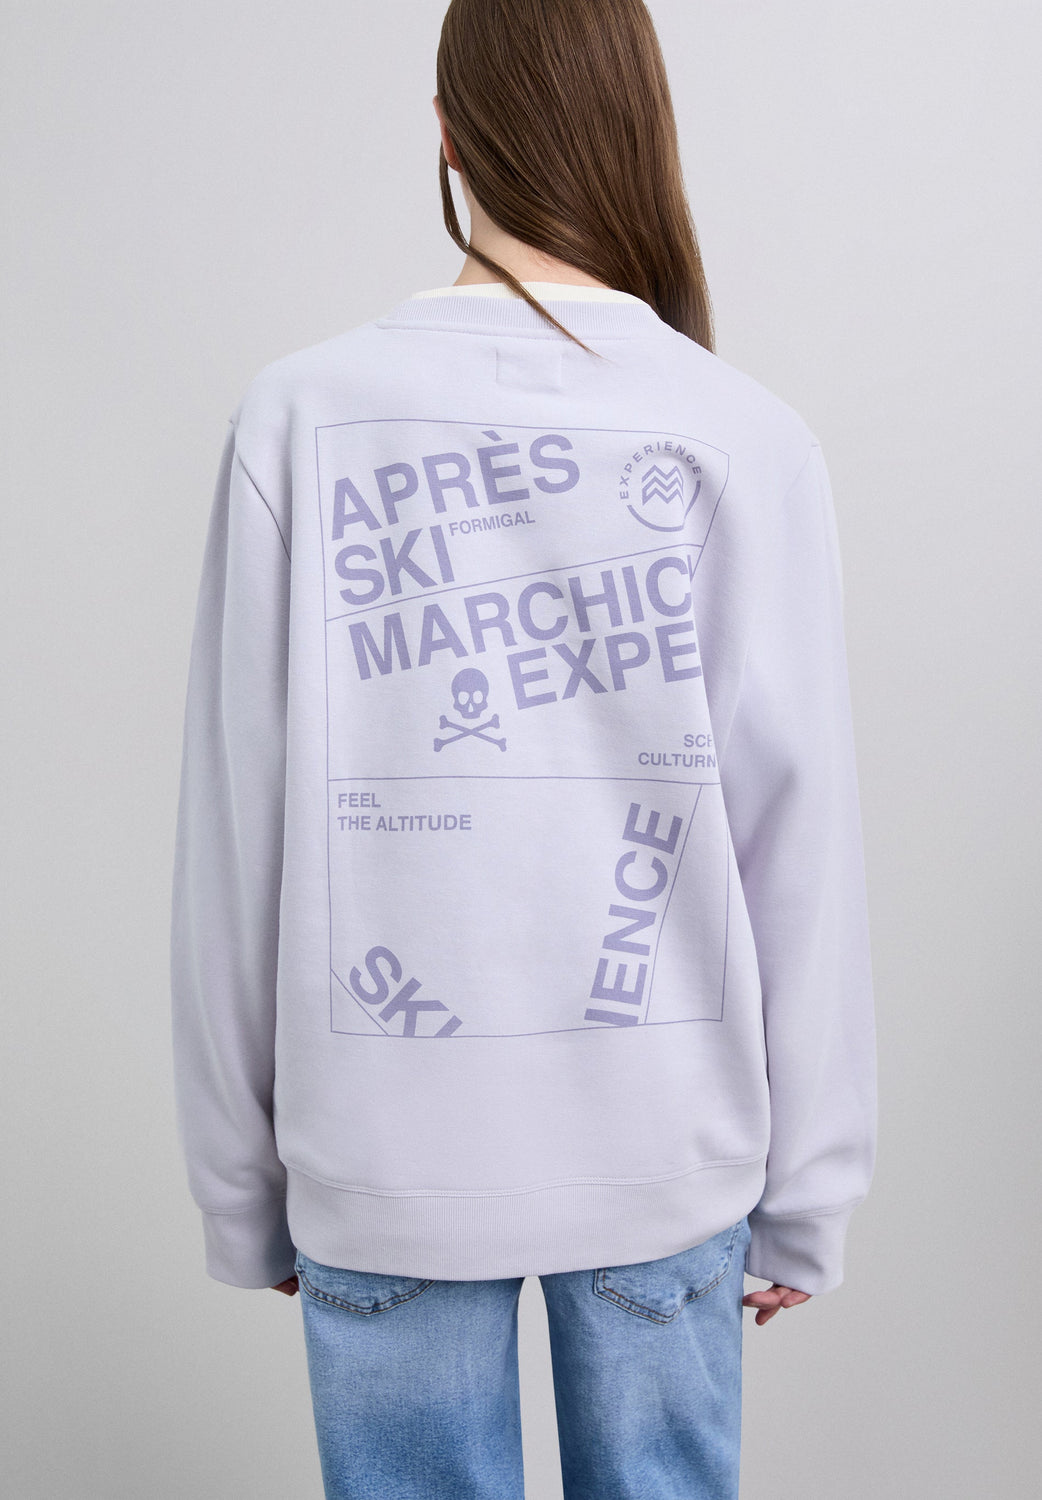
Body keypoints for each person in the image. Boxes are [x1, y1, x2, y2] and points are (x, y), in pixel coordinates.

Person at [169, 1, 877, 1495]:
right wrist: (808, 1191)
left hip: (384, 1156)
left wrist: (241, 1186)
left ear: (446, 133)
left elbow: (241, 829)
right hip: (666, 1143)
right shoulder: (744, 432)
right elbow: (796, 837)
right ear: (639, 130)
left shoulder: (299, 415)